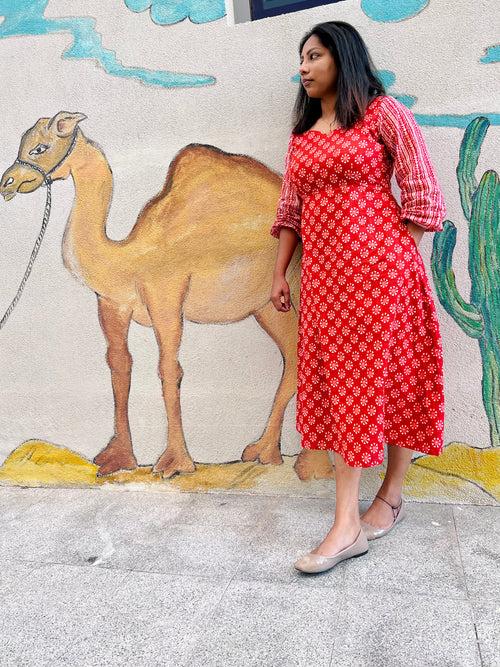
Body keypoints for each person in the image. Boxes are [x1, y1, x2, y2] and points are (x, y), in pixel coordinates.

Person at [269, 21, 446, 574]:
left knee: (391, 378)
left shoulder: (381, 113)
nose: (302, 67)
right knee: (349, 388)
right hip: (325, 284)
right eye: (301, 58)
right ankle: (355, 517)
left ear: (342, 57)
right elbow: (291, 211)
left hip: (383, 278)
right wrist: (281, 273)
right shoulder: (302, 136)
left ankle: (371, 507)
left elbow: (422, 189)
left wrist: (395, 258)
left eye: (313, 55)